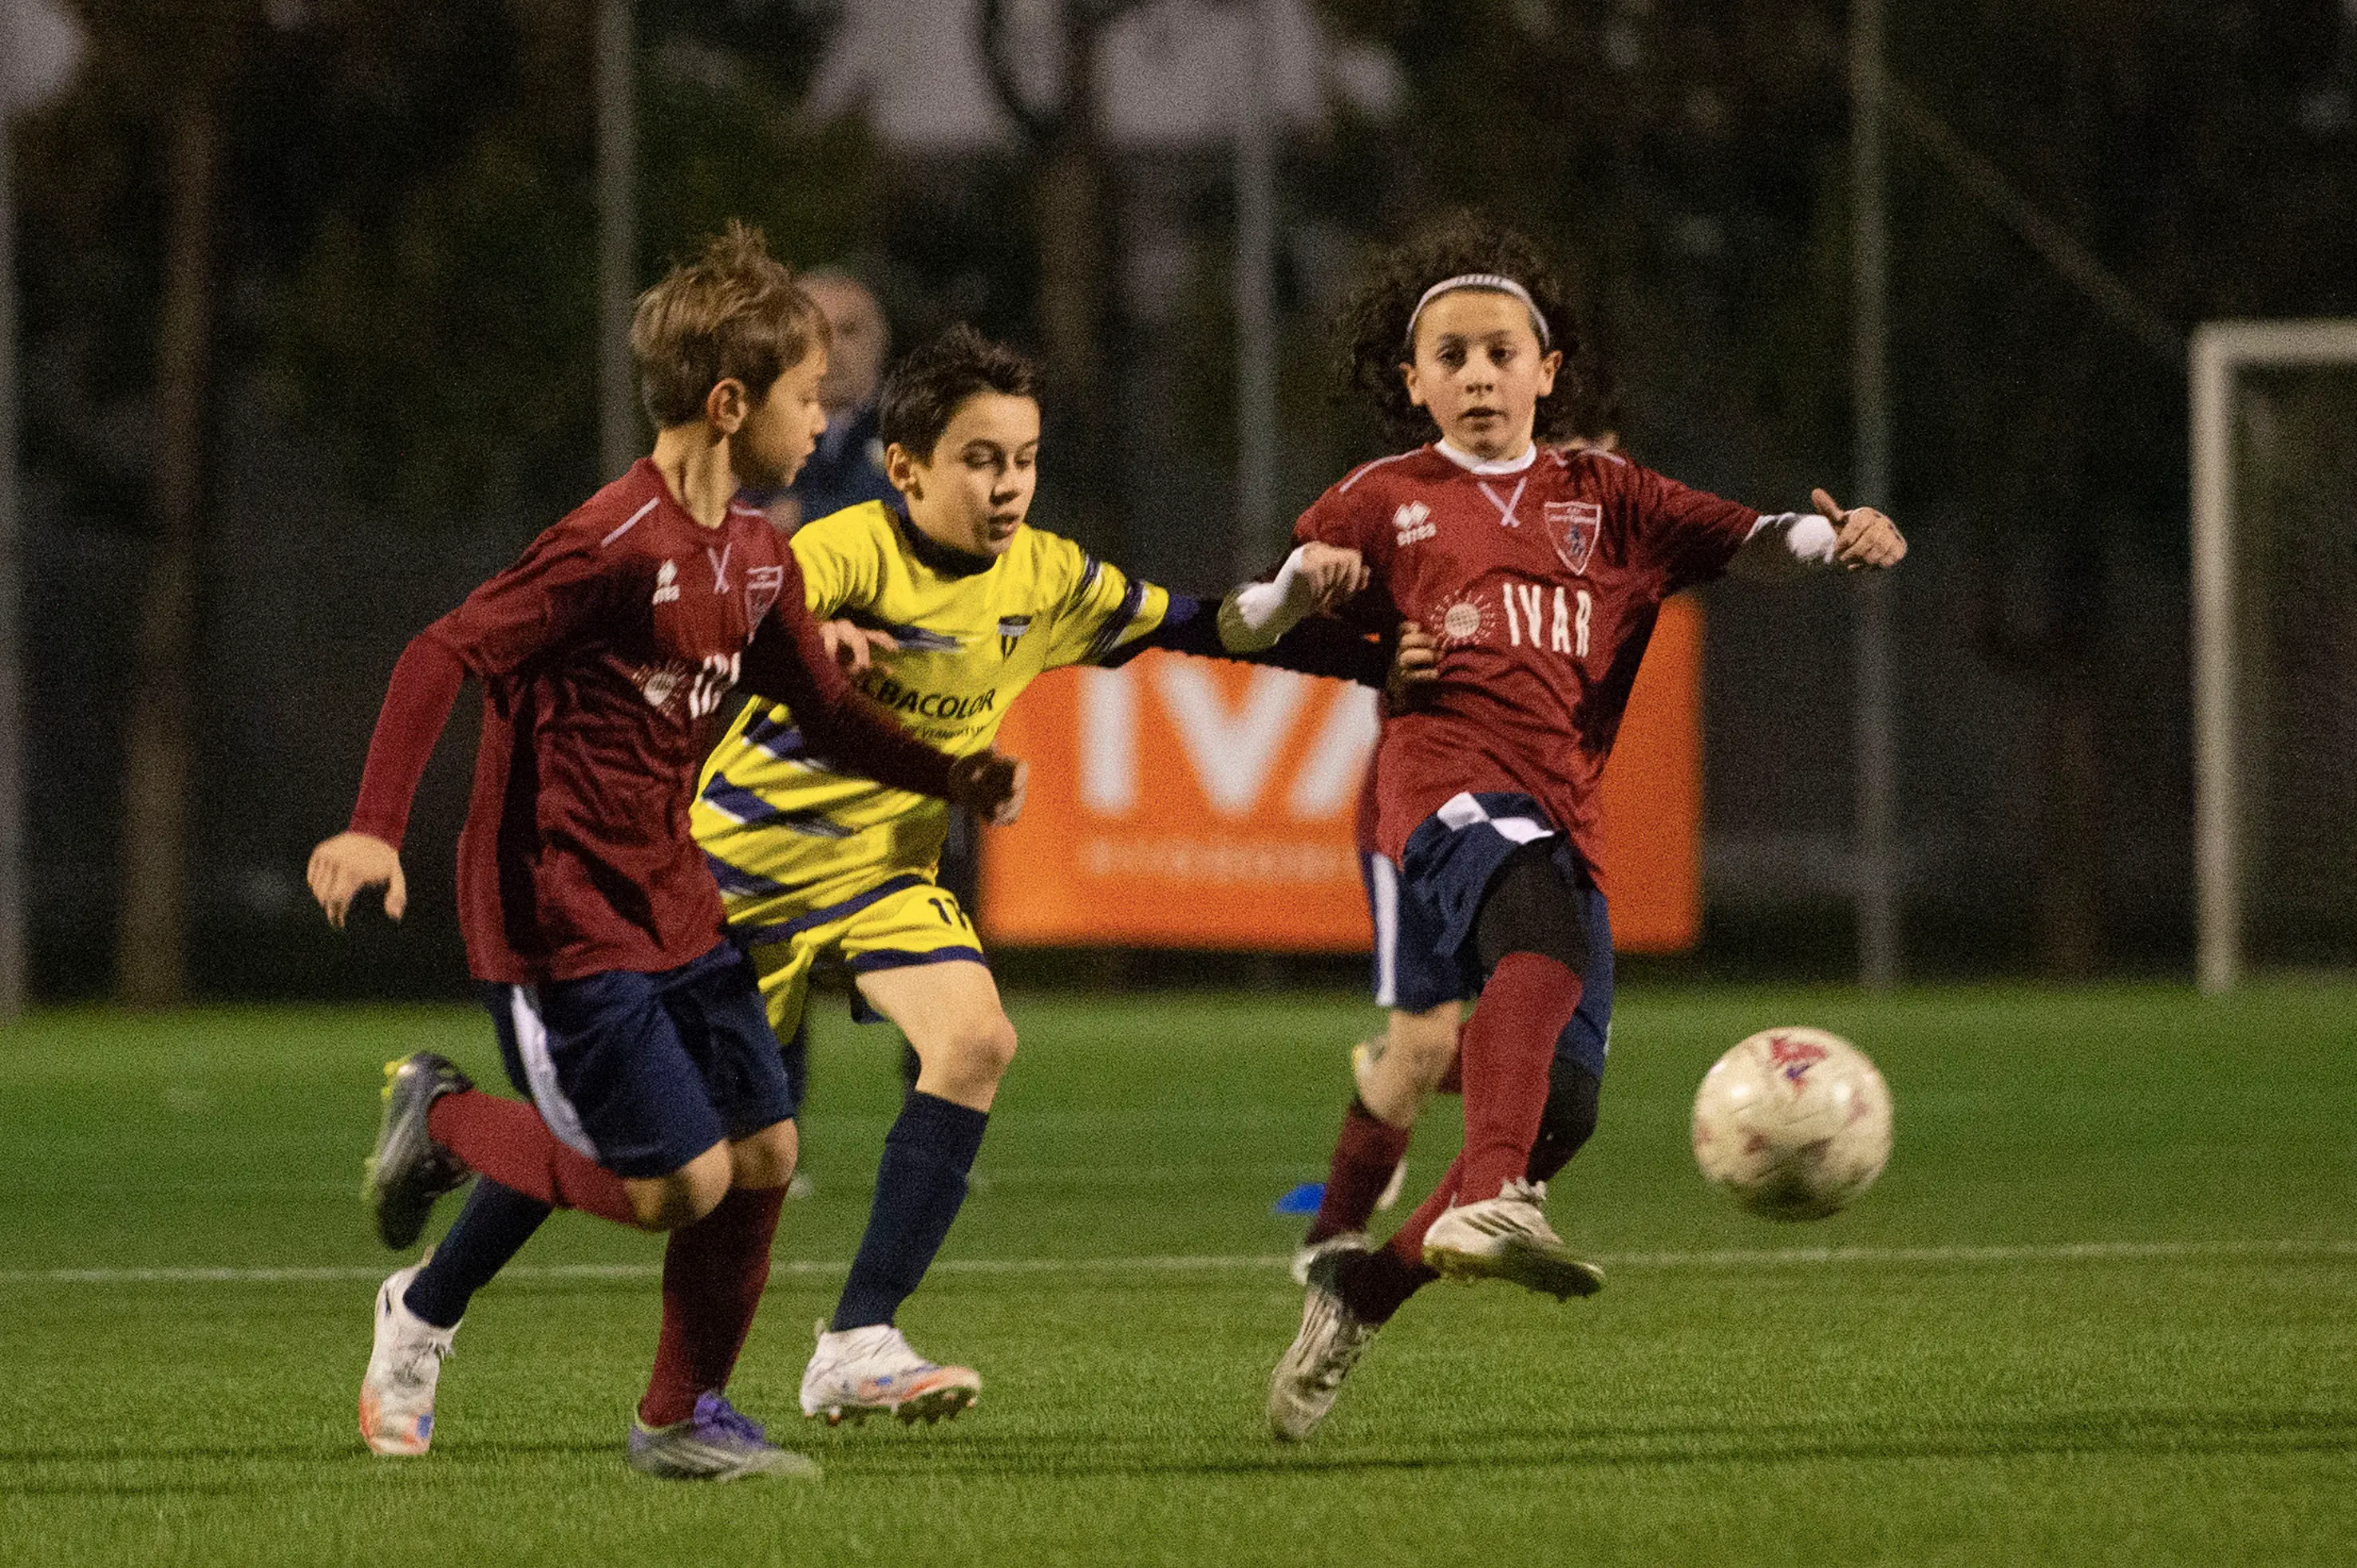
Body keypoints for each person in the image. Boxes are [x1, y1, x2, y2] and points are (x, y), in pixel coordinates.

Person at [305, 224, 1023, 1479]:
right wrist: (374, 825)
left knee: (765, 1152)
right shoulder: (611, 543)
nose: (824, 418)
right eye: (807, 396)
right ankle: (447, 1115)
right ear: (732, 405)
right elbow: (441, 652)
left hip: (675, 900)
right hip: (556, 916)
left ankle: (680, 1417)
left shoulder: (754, 554)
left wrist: (949, 774)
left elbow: (826, 713)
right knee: (675, 1186)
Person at [1264, 215, 1905, 1442]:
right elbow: (1274, 610)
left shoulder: (1607, 498)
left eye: (1501, 352)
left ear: (1547, 371)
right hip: (1441, 786)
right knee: (1536, 945)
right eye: (1451, 357)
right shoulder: (1382, 498)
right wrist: (1326, 604)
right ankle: (1490, 1192)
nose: (1478, 375)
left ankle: (1363, 1289)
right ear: (1414, 383)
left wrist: (1838, 538)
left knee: (1566, 1107)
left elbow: (1755, 539)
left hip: (1563, 809)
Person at [692, 324, 1384, 1424]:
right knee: (667, 1172)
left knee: (974, 1041)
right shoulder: (844, 548)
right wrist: (816, 638)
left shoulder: (1048, 574)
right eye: (980, 459)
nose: (1008, 483)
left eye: (1022, 459)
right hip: (734, 874)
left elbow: (1209, 626)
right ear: (906, 467)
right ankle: (437, 1238)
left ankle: (858, 1338)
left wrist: (1360, 645)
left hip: (880, 876)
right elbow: (741, 612)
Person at [776, 269, 900, 527]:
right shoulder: (754, 429)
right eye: (815, 332)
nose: (833, 348)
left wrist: (804, 514)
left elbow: (909, 508)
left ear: (880, 340)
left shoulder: (911, 426)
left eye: (849, 331)